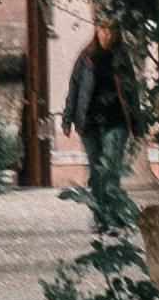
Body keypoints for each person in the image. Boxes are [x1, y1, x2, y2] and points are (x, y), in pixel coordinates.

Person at [61, 13, 145, 200]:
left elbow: (131, 92)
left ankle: (113, 215)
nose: (106, 34)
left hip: (116, 120)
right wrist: (67, 119)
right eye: (103, 29)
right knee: (96, 170)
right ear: (97, 31)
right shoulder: (86, 57)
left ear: (117, 34)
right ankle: (102, 217)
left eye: (111, 30)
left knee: (112, 169)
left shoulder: (121, 58)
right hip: (89, 121)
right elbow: (74, 88)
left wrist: (137, 125)